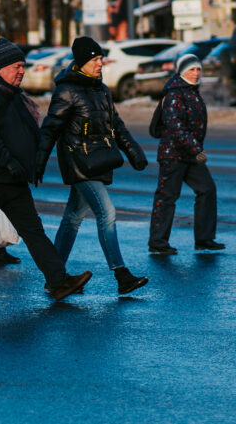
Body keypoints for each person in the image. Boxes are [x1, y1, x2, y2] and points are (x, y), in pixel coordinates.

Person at [0, 38, 92, 303]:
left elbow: (26, 134)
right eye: (17, 66)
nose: (22, 71)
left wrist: (32, 165)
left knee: (34, 231)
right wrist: (8, 161)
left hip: (13, 180)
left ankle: (58, 281)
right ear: (0, 67)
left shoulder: (12, 94)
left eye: (23, 66)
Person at [37, 36, 149, 296]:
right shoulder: (66, 90)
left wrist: (134, 152)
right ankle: (121, 275)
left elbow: (117, 125)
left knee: (72, 219)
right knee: (107, 212)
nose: (101, 63)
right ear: (82, 61)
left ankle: (54, 277)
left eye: (101, 58)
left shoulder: (102, 89)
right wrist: (38, 163)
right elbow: (50, 129)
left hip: (98, 160)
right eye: (95, 59)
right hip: (78, 163)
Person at [149, 54, 225, 254]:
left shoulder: (191, 92)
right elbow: (176, 127)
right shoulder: (175, 94)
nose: (196, 73)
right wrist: (197, 149)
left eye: (198, 69)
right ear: (182, 71)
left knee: (207, 190)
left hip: (189, 155)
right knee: (167, 197)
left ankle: (204, 239)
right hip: (173, 154)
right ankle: (158, 243)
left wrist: (194, 150)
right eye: (191, 69)